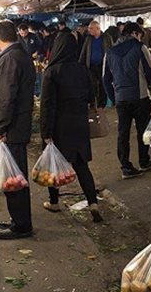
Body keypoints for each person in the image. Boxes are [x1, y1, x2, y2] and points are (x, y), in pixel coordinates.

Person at [39, 32, 102, 222]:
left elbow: (47, 105)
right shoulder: (82, 70)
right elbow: (92, 97)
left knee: (53, 165)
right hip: (80, 123)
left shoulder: (52, 72)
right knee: (82, 165)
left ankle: (54, 201)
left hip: (59, 126)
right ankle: (93, 202)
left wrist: (46, 132)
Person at [0, 20, 35, 240]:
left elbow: (5, 96)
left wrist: (0, 127)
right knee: (14, 175)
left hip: (12, 127)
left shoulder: (11, 58)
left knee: (14, 178)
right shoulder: (20, 55)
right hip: (18, 124)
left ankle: (22, 226)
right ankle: (18, 220)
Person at [103, 22, 151, 179]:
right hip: (141, 97)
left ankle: (125, 166)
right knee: (143, 130)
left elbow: (105, 79)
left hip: (121, 99)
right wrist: (149, 87)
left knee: (123, 133)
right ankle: (144, 161)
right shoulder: (140, 48)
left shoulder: (109, 52)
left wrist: (113, 96)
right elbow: (150, 72)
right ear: (135, 33)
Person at [79, 20, 113, 108]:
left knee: (103, 85)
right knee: (92, 85)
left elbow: (112, 50)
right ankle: (93, 102)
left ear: (98, 28)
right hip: (91, 66)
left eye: (91, 28)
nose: (89, 30)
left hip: (103, 66)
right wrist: (80, 64)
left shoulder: (106, 37)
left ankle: (102, 103)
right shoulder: (89, 39)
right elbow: (84, 51)